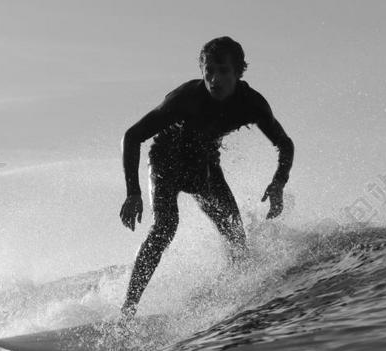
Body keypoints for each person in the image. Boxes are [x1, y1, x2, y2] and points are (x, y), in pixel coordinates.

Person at [119, 36, 294, 316]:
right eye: (209, 70)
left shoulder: (252, 104)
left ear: (238, 72)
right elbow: (133, 136)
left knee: (236, 236)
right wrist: (133, 192)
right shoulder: (185, 99)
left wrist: (278, 183)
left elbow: (285, 143)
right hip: (166, 162)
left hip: (204, 167)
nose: (215, 78)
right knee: (166, 227)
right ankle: (127, 310)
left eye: (223, 71)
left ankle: (237, 299)